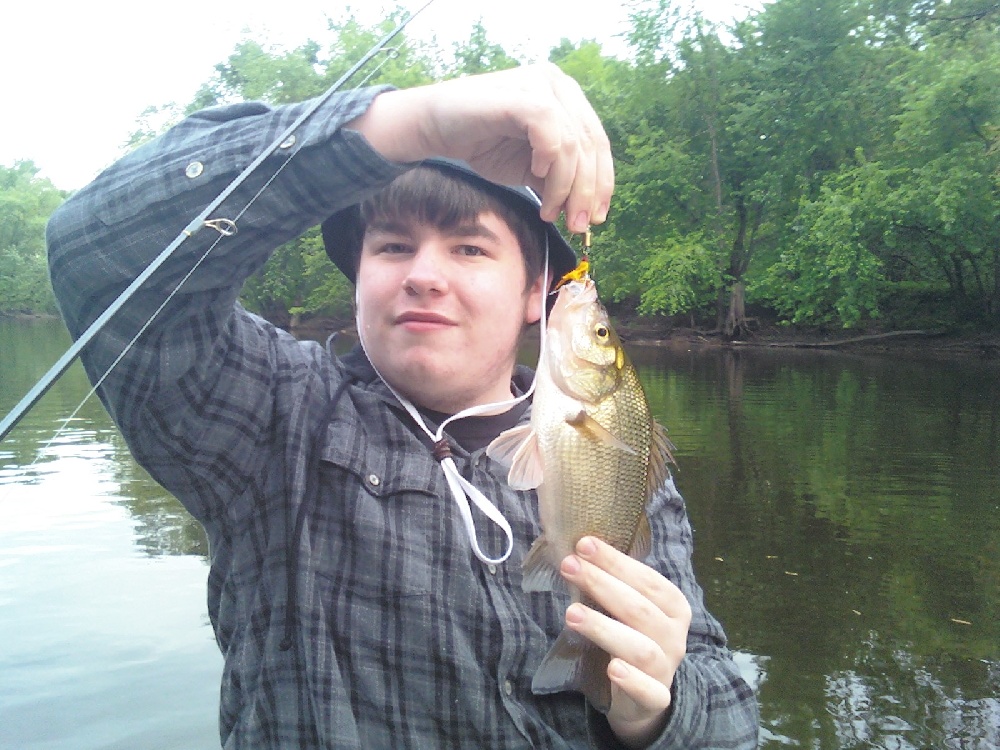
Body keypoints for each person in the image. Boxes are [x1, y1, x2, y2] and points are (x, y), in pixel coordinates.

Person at [46, 63, 759, 748]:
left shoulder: (627, 458)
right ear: (359, 278)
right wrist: (413, 121)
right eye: (392, 246)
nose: (423, 276)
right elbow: (96, 251)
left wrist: (654, 716)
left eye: (470, 250)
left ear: (534, 293)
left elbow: (730, 719)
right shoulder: (271, 414)